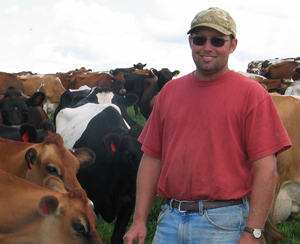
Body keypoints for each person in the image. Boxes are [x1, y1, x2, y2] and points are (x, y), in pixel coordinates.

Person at [123, 7, 292, 244]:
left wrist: (253, 231)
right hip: (170, 219)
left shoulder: (252, 94)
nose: (207, 47)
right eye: (200, 39)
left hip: (224, 223)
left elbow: (266, 169)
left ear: (232, 45)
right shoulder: (169, 92)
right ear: (191, 42)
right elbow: (152, 158)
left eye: (218, 41)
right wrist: (139, 220)